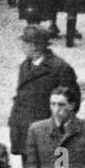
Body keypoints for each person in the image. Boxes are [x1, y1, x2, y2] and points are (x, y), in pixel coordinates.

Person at [8, 24, 78, 158]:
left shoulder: (60, 68)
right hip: (24, 130)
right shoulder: (25, 65)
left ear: (35, 46)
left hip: (47, 133)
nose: (21, 46)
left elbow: (72, 103)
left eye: (24, 43)